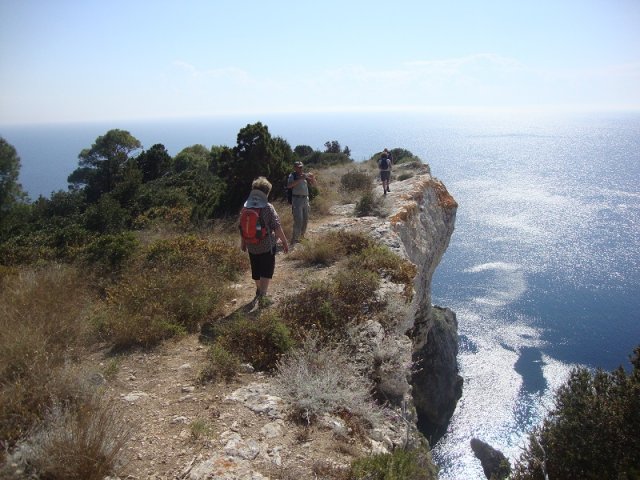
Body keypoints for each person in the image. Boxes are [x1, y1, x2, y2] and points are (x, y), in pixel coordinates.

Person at [240, 177, 289, 303]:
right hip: (267, 245)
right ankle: (263, 295)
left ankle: (258, 289)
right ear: (266, 192)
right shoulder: (268, 207)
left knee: (256, 268)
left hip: (251, 244)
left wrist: (243, 243)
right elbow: (276, 226)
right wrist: (284, 242)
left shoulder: (246, 207)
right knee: (266, 270)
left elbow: (243, 227)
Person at [287, 161, 316, 244]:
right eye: (298, 167)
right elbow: (289, 185)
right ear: (295, 168)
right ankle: (295, 239)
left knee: (305, 219)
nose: (300, 168)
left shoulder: (305, 175)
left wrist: (313, 178)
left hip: (305, 199)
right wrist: (300, 179)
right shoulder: (292, 176)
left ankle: (302, 237)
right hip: (297, 199)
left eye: (301, 167)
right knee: (298, 220)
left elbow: (314, 185)